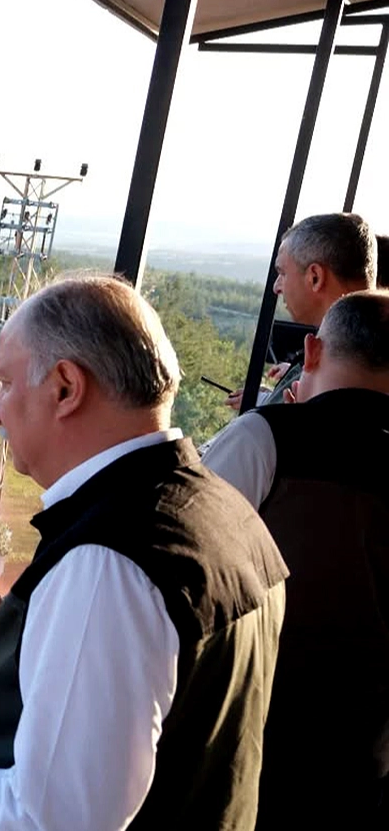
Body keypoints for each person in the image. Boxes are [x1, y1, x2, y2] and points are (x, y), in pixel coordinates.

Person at [0, 275, 288, 831]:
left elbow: (46, 819)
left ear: (65, 388)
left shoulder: (110, 561)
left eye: (5, 383)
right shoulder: (228, 514)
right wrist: (28, 641)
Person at [201, 290, 389, 827]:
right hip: (367, 760)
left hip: (252, 739)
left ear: (311, 351)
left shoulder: (266, 438)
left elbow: (190, 558)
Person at [226, 213, 376, 410]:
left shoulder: (336, 370)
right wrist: (273, 399)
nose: (276, 287)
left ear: (315, 277)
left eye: (282, 273)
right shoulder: (369, 357)